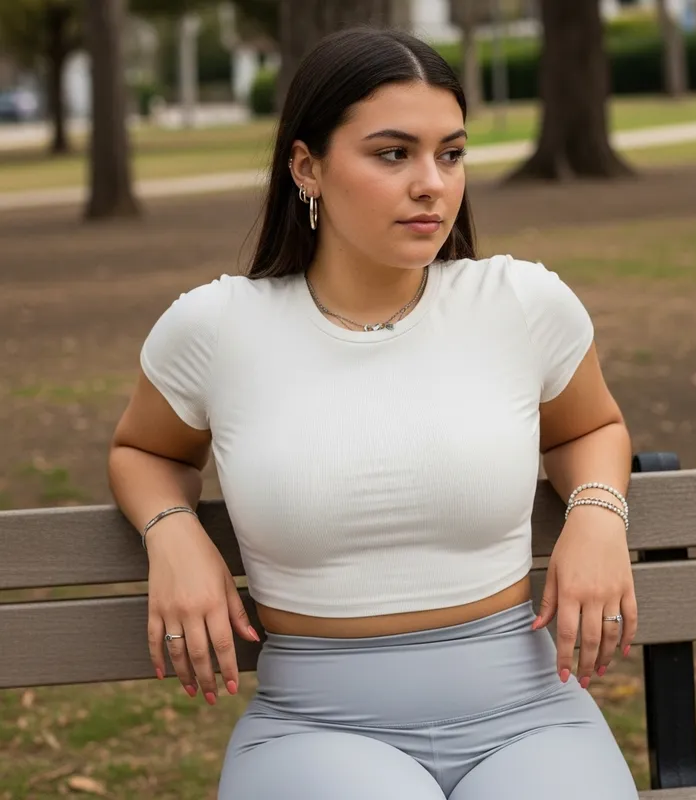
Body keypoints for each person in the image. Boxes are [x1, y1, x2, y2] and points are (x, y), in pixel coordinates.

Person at [108, 27, 640, 800]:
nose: (432, 183)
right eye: (394, 154)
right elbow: (145, 452)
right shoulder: (218, 328)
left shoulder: (519, 303)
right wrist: (172, 531)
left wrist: (597, 514)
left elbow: (590, 428)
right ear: (307, 166)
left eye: (450, 154)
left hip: (532, 713)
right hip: (319, 728)